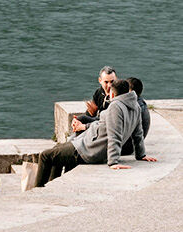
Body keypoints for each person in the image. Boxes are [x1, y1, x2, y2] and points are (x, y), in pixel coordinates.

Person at [24, 79, 155, 190]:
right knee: (56, 153)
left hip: (87, 149)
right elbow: (138, 134)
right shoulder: (135, 106)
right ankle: (51, 187)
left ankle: (37, 191)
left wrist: (113, 162)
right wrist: (141, 154)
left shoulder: (116, 107)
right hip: (86, 142)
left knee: (45, 156)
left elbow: (115, 134)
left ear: (113, 94)